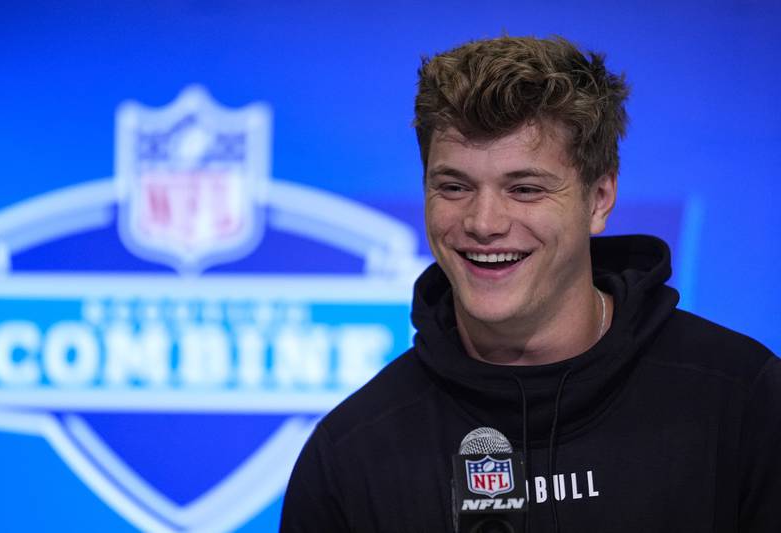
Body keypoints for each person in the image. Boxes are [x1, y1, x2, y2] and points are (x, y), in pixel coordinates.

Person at [279, 36, 781, 532]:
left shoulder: (742, 399)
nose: (484, 222)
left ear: (600, 197)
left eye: (525, 189)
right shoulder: (350, 452)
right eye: (454, 187)